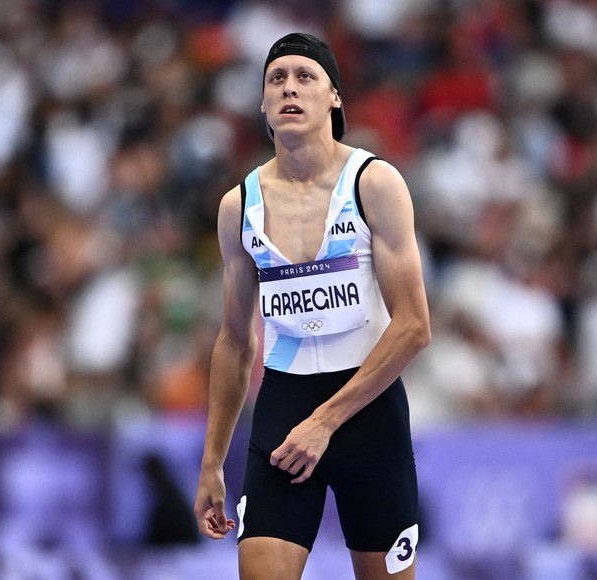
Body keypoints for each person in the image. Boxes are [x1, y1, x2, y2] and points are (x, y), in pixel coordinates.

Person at [193, 32, 431, 580]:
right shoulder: (239, 206)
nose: (290, 88)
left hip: (368, 413)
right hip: (284, 411)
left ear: (334, 98)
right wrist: (211, 462)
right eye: (276, 79)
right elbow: (234, 341)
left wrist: (324, 422)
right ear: (263, 106)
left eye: (306, 76)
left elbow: (415, 326)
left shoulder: (375, 184)